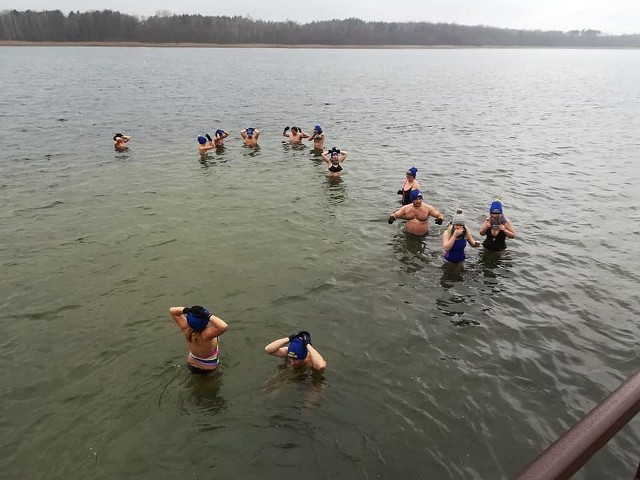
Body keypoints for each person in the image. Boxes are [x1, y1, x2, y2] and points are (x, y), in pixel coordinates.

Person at [169, 305, 229, 374]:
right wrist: (208, 315)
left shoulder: (187, 329)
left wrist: (189, 310)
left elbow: (172, 310)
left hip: (192, 362)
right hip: (207, 367)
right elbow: (224, 326)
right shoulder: (207, 335)